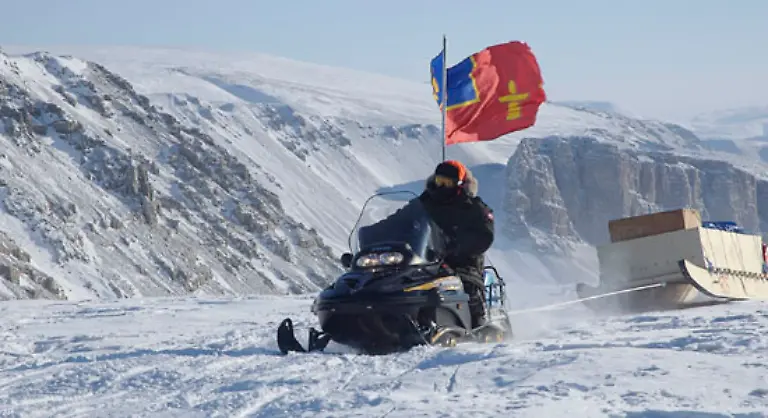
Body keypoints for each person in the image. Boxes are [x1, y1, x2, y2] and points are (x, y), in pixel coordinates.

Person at [418, 160, 495, 328]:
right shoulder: (425, 202)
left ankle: (478, 326)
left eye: (448, 183)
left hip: (463, 261)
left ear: (459, 184)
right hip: (426, 259)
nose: (442, 187)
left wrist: (459, 247)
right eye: (440, 181)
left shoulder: (473, 207)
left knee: (467, 285)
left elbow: (485, 235)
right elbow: (405, 219)